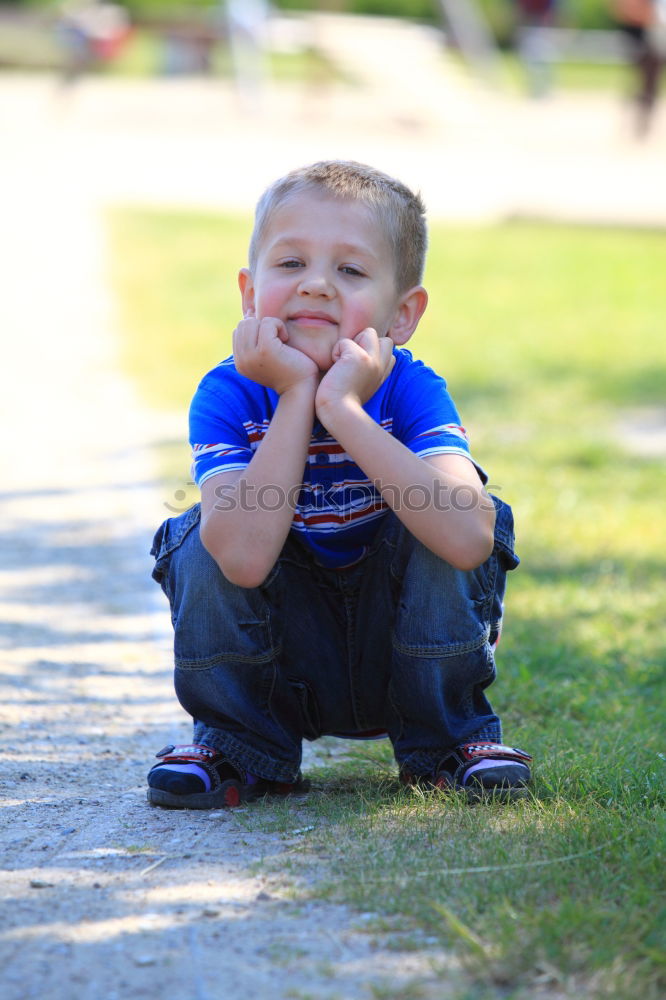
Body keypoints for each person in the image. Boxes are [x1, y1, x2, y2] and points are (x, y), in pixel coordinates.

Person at [146, 161, 532, 810]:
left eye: (350, 271)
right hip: (282, 662)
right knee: (201, 536)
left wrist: (346, 413)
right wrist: (298, 396)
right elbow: (239, 558)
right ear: (249, 294)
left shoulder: (411, 389)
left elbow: (469, 538)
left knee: (447, 513)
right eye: (290, 264)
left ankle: (449, 742)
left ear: (402, 315)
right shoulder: (227, 392)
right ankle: (236, 745)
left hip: (407, 655)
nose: (317, 286)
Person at [612, 0, 666, 134]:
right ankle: (640, 118)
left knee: (648, 84)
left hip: (654, 38)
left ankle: (641, 117)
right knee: (647, 83)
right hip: (648, 40)